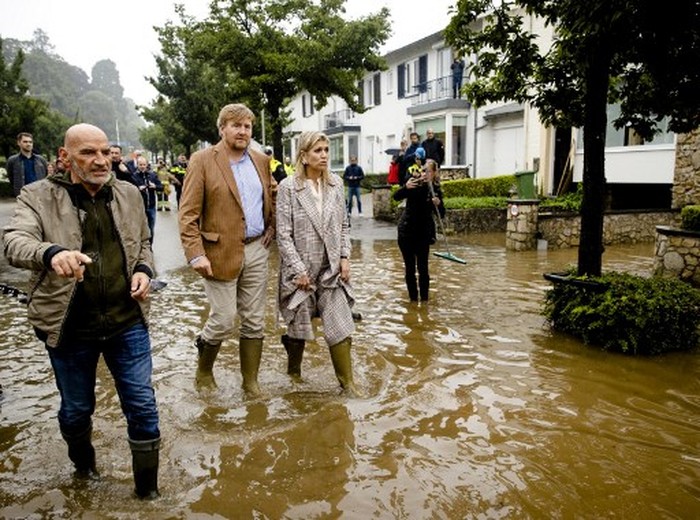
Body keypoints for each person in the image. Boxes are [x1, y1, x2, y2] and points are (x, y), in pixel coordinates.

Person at [3, 123, 161, 499]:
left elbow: (143, 244)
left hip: (128, 320)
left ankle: (149, 497)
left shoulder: (128, 193)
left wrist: (144, 270)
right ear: (65, 156)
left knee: (143, 406)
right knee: (76, 410)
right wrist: (52, 253)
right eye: (88, 153)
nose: (100, 161)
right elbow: (14, 242)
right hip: (69, 326)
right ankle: (84, 472)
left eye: (105, 152)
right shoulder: (36, 196)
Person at [179, 103, 276, 397]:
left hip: (257, 248)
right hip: (217, 252)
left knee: (255, 319)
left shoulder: (261, 160)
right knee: (223, 318)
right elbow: (187, 213)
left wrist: (272, 226)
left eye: (247, 126)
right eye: (236, 125)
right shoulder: (202, 160)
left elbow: (269, 194)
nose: (242, 131)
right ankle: (204, 372)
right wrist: (195, 252)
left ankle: (251, 383)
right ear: (222, 129)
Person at [276, 131, 359, 395]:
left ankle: (348, 385)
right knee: (299, 327)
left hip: (332, 271)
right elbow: (283, 235)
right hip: (301, 272)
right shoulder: (289, 188)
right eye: (318, 151)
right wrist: (298, 270)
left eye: (326, 149)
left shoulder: (335, 184)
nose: (324, 155)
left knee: (339, 326)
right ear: (304, 155)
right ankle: (294, 373)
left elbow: (344, 225)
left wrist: (345, 256)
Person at [393, 152, 445, 302]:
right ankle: (413, 301)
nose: (425, 174)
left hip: (423, 234)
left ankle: (425, 301)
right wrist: (405, 187)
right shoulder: (413, 184)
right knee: (410, 268)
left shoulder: (435, 190)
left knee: (423, 269)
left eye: (428, 171)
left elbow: (441, 215)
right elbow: (396, 196)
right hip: (406, 232)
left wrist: (438, 204)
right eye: (423, 170)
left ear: (434, 173)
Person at [6, 132, 49, 196]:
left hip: (39, 194)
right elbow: (11, 178)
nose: (28, 144)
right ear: (19, 143)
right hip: (23, 194)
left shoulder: (41, 160)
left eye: (30, 142)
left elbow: (46, 174)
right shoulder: (12, 160)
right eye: (25, 142)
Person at [131, 156, 163, 245]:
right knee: (140, 229)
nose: (142, 166)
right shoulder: (133, 176)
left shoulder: (152, 175)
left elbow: (161, 187)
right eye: (140, 164)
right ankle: (141, 247)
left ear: (147, 165)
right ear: (137, 165)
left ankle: (150, 247)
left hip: (151, 207)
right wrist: (138, 188)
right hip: (139, 208)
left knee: (151, 228)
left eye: (144, 164)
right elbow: (129, 191)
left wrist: (155, 186)